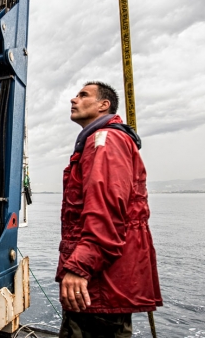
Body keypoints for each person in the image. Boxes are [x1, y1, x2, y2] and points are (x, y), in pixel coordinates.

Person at [55, 81, 162, 337]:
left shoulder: (105, 140)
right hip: (104, 283)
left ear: (104, 105)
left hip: (100, 285)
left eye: (83, 95)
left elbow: (107, 212)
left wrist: (79, 267)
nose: (73, 99)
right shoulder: (100, 141)